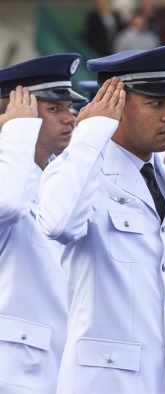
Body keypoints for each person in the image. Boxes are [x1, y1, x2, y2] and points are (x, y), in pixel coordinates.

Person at [36, 44, 165, 393]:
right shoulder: (77, 171)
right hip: (105, 382)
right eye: (156, 103)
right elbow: (58, 224)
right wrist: (91, 134)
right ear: (116, 103)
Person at [0, 53, 86, 393]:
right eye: (54, 109)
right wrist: (16, 132)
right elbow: (6, 204)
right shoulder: (8, 175)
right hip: (14, 373)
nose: (70, 118)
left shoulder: (56, 177)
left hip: (60, 368)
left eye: (70, 107)